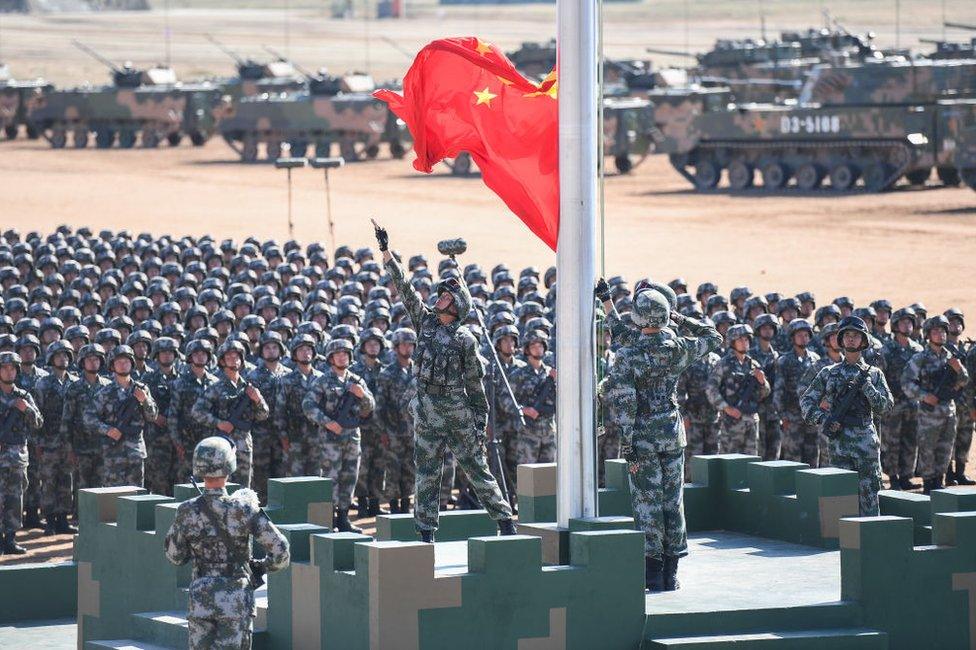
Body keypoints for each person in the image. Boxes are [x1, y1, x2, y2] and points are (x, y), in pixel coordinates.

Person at [374, 221, 515, 542]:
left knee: (476, 470)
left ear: (456, 306)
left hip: (457, 412)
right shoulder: (424, 323)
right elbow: (405, 289)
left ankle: (505, 520)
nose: (438, 298)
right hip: (426, 410)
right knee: (426, 473)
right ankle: (425, 532)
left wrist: (479, 424)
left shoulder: (465, 340)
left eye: (445, 297)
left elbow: (476, 387)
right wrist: (386, 253)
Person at [603, 284, 722, 591]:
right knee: (673, 503)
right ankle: (671, 573)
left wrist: (626, 441)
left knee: (647, 504)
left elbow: (625, 401)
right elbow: (713, 336)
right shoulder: (677, 348)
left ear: (639, 317)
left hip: (641, 436)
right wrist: (676, 317)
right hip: (670, 433)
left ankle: (652, 572)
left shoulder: (628, 355)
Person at [165, 437, 290, 650]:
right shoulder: (244, 508)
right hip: (236, 602)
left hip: (201, 601)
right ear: (229, 466)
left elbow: (175, 556)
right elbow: (281, 552)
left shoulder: (186, 510)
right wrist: (260, 566)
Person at [800, 317, 893, 515]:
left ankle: (869, 539)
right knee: (840, 496)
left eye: (856, 336)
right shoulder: (828, 373)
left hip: (866, 443)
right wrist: (823, 418)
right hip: (838, 445)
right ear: (841, 340)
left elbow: (885, 407)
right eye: (847, 335)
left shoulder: (874, 374)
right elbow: (806, 402)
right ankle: (841, 542)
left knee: (870, 495)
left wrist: (868, 388)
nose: (851, 339)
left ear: (864, 340)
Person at [302, 338, 375, 533]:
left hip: (352, 437)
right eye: (338, 354)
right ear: (330, 358)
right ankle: (328, 520)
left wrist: (363, 395)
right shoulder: (323, 381)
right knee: (330, 479)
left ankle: (343, 518)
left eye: (345, 353)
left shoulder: (357, 381)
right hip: (330, 439)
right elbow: (308, 405)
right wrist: (327, 422)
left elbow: (370, 408)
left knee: (350, 477)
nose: (342, 357)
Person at [901, 315, 971, 493]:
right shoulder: (920, 358)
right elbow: (906, 382)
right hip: (929, 412)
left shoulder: (951, 357)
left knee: (946, 448)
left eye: (942, 331)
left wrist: (958, 370)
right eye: (935, 332)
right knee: (927, 449)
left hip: (949, 410)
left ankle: (939, 481)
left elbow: (965, 379)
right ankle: (928, 483)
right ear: (928, 335)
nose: (940, 335)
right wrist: (924, 396)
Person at [192, 341, 269, 489]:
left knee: (244, 488)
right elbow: (197, 411)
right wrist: (218, 423)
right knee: (223, 487)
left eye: (237, 357)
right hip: (222, 445)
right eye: (229, 357)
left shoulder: (249, 388)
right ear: (222, 361)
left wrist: (257, 400)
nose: (234, 360)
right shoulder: (216, 388)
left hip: (244, 445)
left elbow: (263, 414)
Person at [84, 345, 158, 487]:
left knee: (136, 497)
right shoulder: (105, 392)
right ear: (112, 366)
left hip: (135, 451)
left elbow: (153, 416)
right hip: (113, 453)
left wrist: (145, 400)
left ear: (132, 364)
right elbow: (88, 418)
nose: (123, 365)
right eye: (119, 362)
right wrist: (108, 430)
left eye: (126, 362)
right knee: (113, 497)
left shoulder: (142, 389)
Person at [32, 341, 78, 534]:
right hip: (48, 443)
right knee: (49, 483)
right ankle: (49, 520)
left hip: (68, 443)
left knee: (67, 482)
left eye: (66, 355)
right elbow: (36, 414)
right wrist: (37, 443)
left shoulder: (75, 382)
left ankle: (62, 520)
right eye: (59, 355)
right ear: (51, 359)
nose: (63, 358)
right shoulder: (42, 383)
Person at [0, 352, 43, 554]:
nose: (9, 371)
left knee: (15, 499)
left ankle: (10, 539)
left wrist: (26, 410)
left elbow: (38, 423)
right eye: (5, 368)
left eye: (12, 368)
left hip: (17, 457)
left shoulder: (24, 396)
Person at [706, 324, 771, 455]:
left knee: (751, 463)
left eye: (746, 339)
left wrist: (762, 382)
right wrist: (726, 408)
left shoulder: (754, 365)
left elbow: (765, 393)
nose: (744, 342)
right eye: (740, 340)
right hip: (731, 423)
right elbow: (710, 388)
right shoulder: (724, 364)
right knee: (729, 464)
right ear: (732, 342)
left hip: (751, 421)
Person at [376, 328, 419, 514]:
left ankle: (406, 506)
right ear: (395, 347)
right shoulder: (387, 374)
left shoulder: (418, 370)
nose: (408, 348)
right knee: (393, 471)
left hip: (414, 429)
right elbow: (379, 407)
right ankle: (394, 508)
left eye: (411, 344)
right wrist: (383, 431)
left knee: (411, 470)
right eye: (404, 344)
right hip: (393, 430)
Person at [879, 309, 923, 490]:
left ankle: (906, 475)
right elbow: (879, 376)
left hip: (913, 403)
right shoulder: (886, 350)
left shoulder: (918, 350)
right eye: (904, 322)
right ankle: (893, 477)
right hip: (893, 405)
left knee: (911, 440)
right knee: (892, 442)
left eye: (910, 322)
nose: (908, 325)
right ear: (895, 326)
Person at [274, 334, 323, 478]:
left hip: (317, 436)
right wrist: (283, 437)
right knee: (294, 478)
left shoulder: (322, 379)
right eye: (301, 350)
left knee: (316, 478)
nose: (305, 353)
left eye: (308, 349)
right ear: (294, 354)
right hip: (294, 437)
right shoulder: (286, 380)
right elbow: (279, 411)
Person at [774, 319, 820, 466]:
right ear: (792, 338)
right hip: (792, 417)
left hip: (812, 417)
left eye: (806, 335)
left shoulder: (816, 360)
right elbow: (778, 392)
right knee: (792, 459)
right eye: (799, 335)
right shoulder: (784, 361)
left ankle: (811, 489)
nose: (803, 338)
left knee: (812, 456)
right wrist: (783, 416)